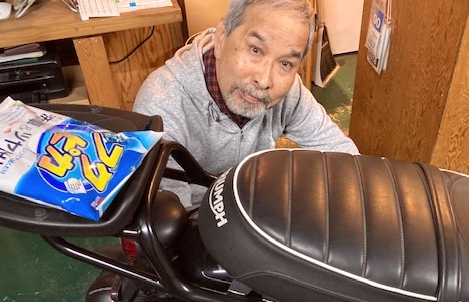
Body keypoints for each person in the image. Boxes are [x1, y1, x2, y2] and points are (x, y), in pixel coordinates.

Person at [133, 0, 359, 207]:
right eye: (255, 50)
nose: (264, 80)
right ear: (221, 38)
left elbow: (343, 155)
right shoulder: (162, 105)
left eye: (285, 63)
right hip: (197, 216)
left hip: (253, 199)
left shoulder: (290, 93)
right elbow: (170, 213)